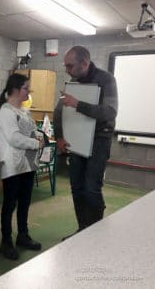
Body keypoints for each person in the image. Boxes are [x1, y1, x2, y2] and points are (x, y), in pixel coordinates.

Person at [53, 46, 118, 239]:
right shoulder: (74, 81)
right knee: (77, 187)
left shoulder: (106, 79)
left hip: (99, 139)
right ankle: (83, 232)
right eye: (65, 66)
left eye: (70, 66)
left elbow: (110, 112)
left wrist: (77, 104)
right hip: (77, 138)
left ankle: (95, 236)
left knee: (91, 188)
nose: (67, 70)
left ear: (85, 63)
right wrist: (59, 137)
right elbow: (58, 112)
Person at [0, 73, 44, 260]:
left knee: (24, 203)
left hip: (28, 165)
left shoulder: (24, 111)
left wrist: (38, 136)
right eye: (26, 88)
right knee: (10, 204)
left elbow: (32, 131)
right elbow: (14, 138)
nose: (28, 92)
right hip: (13, 166)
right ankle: (6, 242)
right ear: (15, 89)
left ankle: (23, 236)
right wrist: (35, 143)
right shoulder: (6, 111)